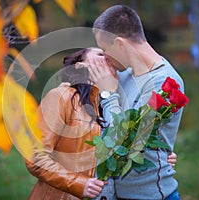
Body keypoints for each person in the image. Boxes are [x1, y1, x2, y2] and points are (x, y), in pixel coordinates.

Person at [25, 47, 178, 200]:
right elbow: (35, 156)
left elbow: (122, 151)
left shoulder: (113, 105)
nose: (108, 57)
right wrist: (79, 184)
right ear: (80, 66)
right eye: (100, 54)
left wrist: (157, 158)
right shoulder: (61, 97)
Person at [87, 5, 184, 200]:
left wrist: (108, 93)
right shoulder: (123, 73)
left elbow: (124, 144)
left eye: (105, 50)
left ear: (121, 45)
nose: (104, 57)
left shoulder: (164, 83)